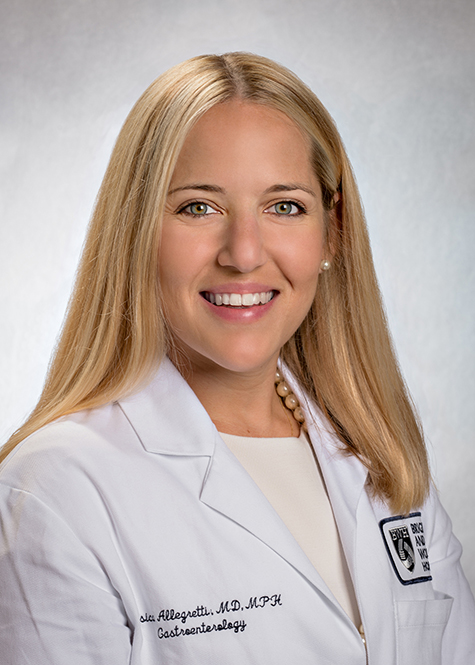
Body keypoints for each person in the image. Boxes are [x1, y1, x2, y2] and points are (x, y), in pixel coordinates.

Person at [0, 52, 473, 665]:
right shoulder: (55, 490)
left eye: (284, 206)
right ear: (136, 231)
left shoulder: (385, 461)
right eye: (199, 207)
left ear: (332, 231)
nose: (244, 254)